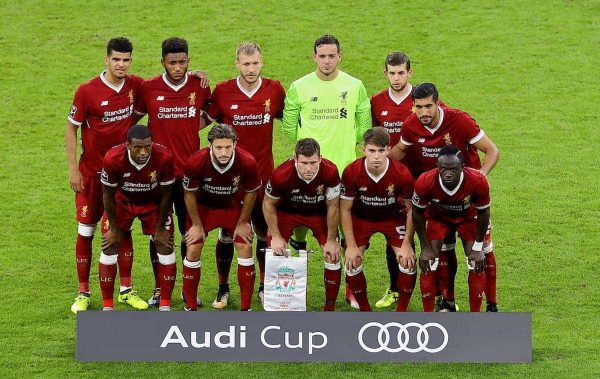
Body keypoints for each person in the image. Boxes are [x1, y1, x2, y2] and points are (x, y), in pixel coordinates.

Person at [390, 82, 500, 312]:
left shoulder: (460, 121)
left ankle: (491, 305)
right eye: (418, 107)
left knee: (481, 251)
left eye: (428, 106)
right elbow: (400, 150)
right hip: (438, 202)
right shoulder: (412, 125)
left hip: (468, 202)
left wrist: (479, 178)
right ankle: (448, 302)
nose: (424, 113)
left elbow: (492, 151)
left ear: (438, 103)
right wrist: (380, 167)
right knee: (443, 250)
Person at [281, 34, 372, 308]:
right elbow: (289, 126)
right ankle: (295, 288)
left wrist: (344, 146)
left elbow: (363, 125)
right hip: (309, 170)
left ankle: (350, 288)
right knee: (299, 222)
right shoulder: (299, 86)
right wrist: (307, 156)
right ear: (314, 57)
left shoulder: (355, 86)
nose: (327, 61)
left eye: (332, 56)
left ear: (340, 56)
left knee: (346, 230)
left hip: (344, 169)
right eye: (322, 56)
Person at [204, 42, 285, 308]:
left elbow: (295, 117)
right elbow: (202, 120)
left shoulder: (274, 90)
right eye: (246, 64)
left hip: (263, 177)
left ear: (262, 62)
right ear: (237, 63)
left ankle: (264, 286)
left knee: (263, 231)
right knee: (228, 234)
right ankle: (223, 287)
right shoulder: (224, 91)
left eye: (256, 63)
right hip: (230, 181)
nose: (251, 69)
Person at [65, 37, 144, 313]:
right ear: (106, 60)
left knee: (122, 230)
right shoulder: (87, 91)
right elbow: (71, 128)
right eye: (116, 59)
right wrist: (74, 169)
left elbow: (164, 84)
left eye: (126, 60)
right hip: (90, 175)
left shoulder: (135, 85)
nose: (121, 64)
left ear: (130, 61)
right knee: (86, 230)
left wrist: (195, 75)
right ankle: (83, 293)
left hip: (122, 176)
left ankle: (126, 290)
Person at [133, 37, 211, 308]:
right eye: (172, 62)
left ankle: (188, 291)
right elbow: (134, 122)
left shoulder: (199, 85)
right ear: (162, 62)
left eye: (182, 62)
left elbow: (213, 113)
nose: (178, 67)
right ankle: (159, 287)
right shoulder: (149, 88)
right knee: (160, 232)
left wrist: (190, 127)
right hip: (160, 176)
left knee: (190, 232)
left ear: (189, 60)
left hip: (191, 175)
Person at [181, 124, 261, 311]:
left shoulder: (247, 161)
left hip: (232, 207)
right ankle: (190, 308)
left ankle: (245, 308)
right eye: (219, 147)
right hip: (204, 209)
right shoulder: (196, 162)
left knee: (245, 245)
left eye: (228, 147)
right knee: (193, 247)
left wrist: (242, 222)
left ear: (235, 144)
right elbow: (189, 194)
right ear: (210, 146)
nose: (223, 152)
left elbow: (251, 192)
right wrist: (196, 225)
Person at [99, 125, 175, 310]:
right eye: (138, 147)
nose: (143, 152)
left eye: (147, 147)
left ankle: (165, 303)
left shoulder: (164, 157)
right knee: (109, 245)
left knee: (165, 244)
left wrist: (160, 229)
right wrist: (115, 229)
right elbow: (107, 195)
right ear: (127, 145)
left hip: (153, 204)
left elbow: (167, 194)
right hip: (122, 203)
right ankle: (107, 305)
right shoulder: (112, 158)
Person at [340, 127, 416, 311]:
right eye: (372, 151)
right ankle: (366, 311)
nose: (376, 156)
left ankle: (402, 311)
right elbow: (344, 210)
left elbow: (411, 209)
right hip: (362, 219)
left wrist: (407, 243)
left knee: (407, 260)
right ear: (363, 149)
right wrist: (350, 246)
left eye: (381, 151)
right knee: (352, 261)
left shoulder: (402, 173)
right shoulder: (352, 171)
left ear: (388, 150)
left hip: (392, 218)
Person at [263, 138, 342, 311]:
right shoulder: (281, 174)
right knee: (274, 249)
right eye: (304, 163)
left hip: (318, 214)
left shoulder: (330, 171)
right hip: (288, 213)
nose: (309, 168)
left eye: (313, 162)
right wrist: (276, 236)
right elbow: (268, 203)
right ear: (295, 159)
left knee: (333, 255)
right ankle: (279, 302)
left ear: (320, 158)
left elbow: (333, 206)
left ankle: (330, 307)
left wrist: (331, 239)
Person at [411, 145, 491, 312]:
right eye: (443, 169)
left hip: (467, 219)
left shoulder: (477, 180)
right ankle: (430, 316)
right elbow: (417, 213)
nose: (448, 173)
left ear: (462, 168)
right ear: (437, 168)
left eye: (453, 169)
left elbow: (484, 213)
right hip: (438, 219)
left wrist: (478, 247)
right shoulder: (425, 181)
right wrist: (425, 248)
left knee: (475, 260)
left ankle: (475, 316)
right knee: (429, 260)